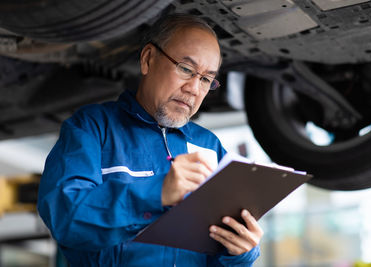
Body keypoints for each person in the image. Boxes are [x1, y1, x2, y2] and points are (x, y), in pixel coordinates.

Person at [37, 13, 264, 266]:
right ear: (148, 59)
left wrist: (241, 253)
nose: (194, 88)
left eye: (206, 79)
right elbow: (64, 218)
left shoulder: (210, 146)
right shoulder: (92, 128)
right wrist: (158, 193)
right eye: (186, 69)